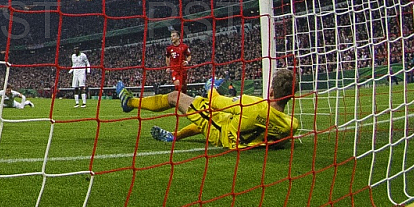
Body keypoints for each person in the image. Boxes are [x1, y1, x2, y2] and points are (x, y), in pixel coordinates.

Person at [115, 69, 299, 150]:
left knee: (175, 97)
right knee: (220, 116)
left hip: (220, 134)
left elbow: (215, 101)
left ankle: (129, 103)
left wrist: (211, 86)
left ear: (272, 91)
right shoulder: (292, 125)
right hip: (235, 133)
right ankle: (174, 136)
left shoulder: (252, 104)